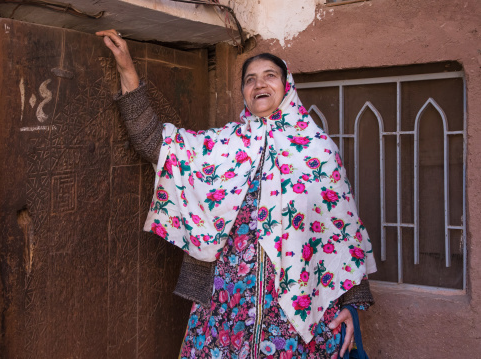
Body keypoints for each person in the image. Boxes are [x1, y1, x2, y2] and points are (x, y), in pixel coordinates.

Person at [96, 29, 377, 359]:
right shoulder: (222, 146)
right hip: (225, 307)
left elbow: (341, 231)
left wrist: (351, 307)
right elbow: (156, 145)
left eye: (270, 76)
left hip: (295, 311)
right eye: (250, 79)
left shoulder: (319, 151)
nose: (259, 84)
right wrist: (127, 70)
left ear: (287, 86)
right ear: (243, 92)